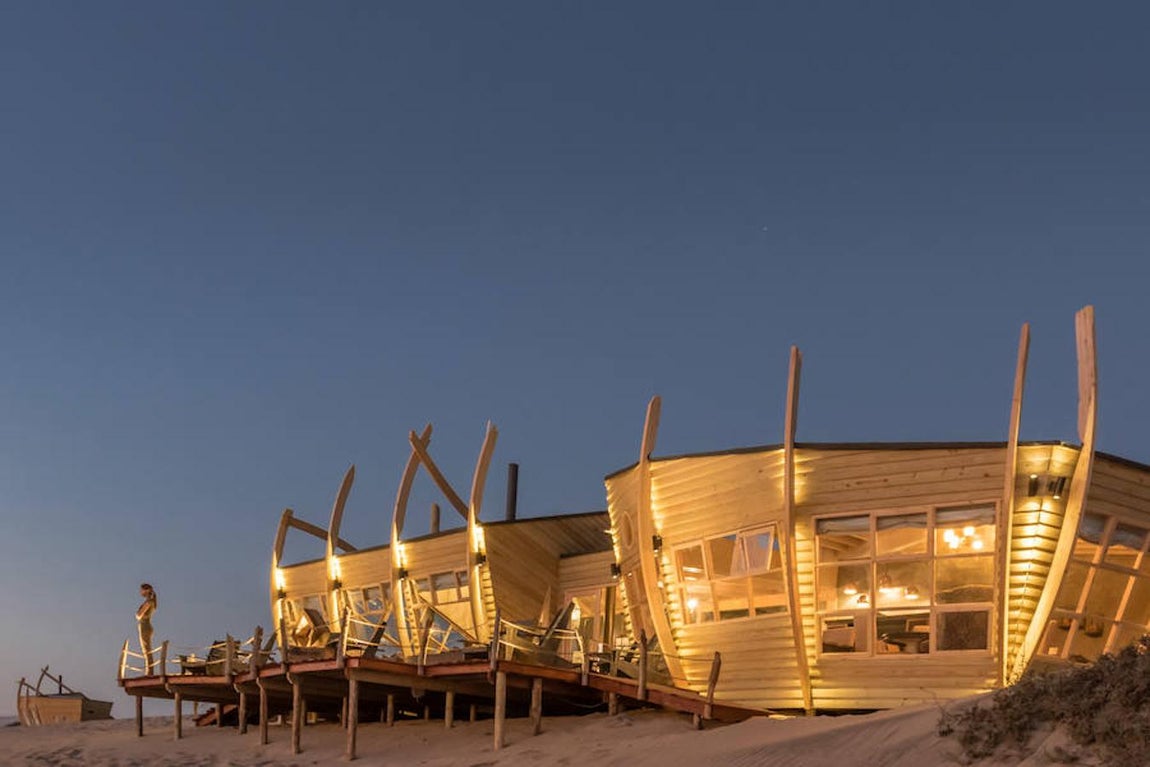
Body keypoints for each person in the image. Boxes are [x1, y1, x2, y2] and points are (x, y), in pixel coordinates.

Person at [136, 583, 158, 674]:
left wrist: (138, 614)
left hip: (145, 626)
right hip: (146, 625)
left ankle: (149, 671)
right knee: (146, 649)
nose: (140, 592)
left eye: (142, 590)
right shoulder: (151, 601)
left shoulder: (149, 602)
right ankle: (149, 670)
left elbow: (138, 615)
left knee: (146, 649)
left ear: (147, 590)